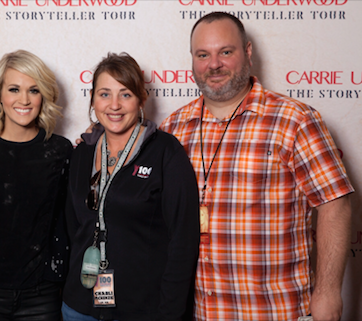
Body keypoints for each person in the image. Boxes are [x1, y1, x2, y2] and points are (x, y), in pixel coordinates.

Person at [160, 12, 353, 321]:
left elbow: (335, 203)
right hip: (197, 312)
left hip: (275, 311)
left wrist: (328, 292)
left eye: (226, 51)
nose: (214, 64)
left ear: (247, 52)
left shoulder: (294, 120)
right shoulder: (173, 127)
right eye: (203, 54)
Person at [63, 53, 200, 321]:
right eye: (104, 94)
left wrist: (170, 311)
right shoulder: (81, 154)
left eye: (125, 94)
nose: (114, 105)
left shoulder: (164, 151)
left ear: (140, 99)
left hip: (143, 308)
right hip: (79, 306)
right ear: (93, 100)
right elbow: (73, 226)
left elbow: (183, 239)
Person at [0, 50, 73, 321]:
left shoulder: (60, 150)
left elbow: (65, 216)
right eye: (14, 89)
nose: (24, 100)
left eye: (33, 90)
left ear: (43, 95)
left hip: (41, 294)